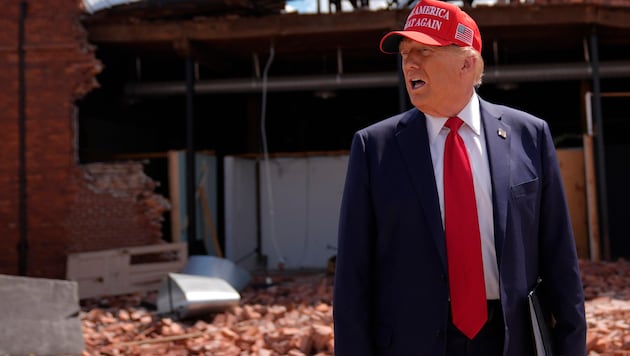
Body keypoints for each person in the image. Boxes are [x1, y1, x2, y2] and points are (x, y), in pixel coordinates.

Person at [332, 0, 587, 355]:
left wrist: (572, 347)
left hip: (510, 341)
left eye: (424, 50)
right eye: (405, 53)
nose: (410, 63)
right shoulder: (373, 148)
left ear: (467, 63)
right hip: (412, 342)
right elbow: (352, 278)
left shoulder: (530, 135)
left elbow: (560, 259)